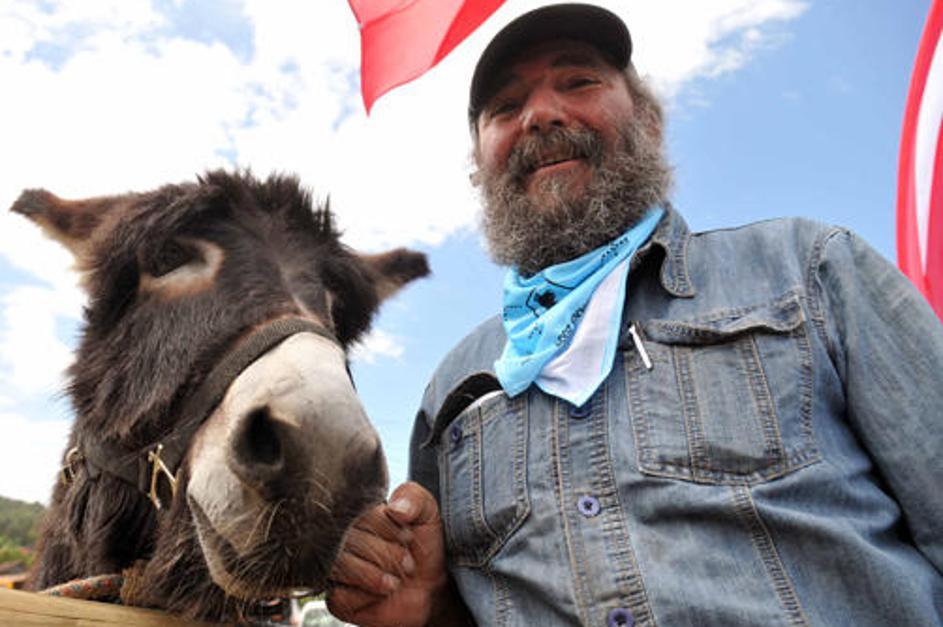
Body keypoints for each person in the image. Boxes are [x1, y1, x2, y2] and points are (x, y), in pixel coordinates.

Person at [327, 4, 943, 626]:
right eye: (506, 108)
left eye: (578, 82)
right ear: (478, 165)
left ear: (648, 120)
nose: (540, 114)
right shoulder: (452, 390)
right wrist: (430, 606)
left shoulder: (808, 268)